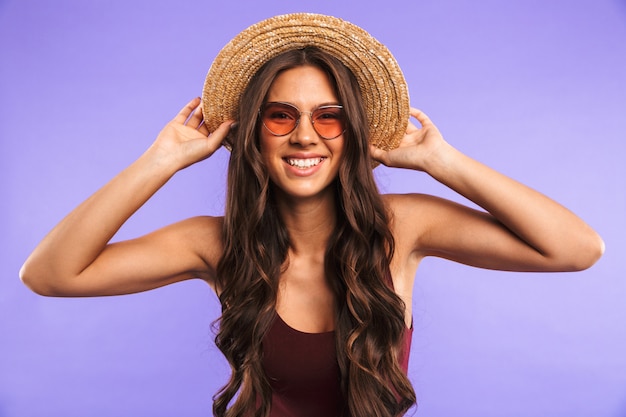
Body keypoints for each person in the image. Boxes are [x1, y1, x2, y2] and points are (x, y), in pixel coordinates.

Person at [20, 13, 604, 417]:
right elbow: (48, 275)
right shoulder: (216, 245)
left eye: (329, 116)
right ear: (254, 135)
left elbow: (577, 249)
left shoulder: (403, 228)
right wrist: (160, 160)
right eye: (281, 116)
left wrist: (441, 160)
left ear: (352, 133)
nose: (305, 137)